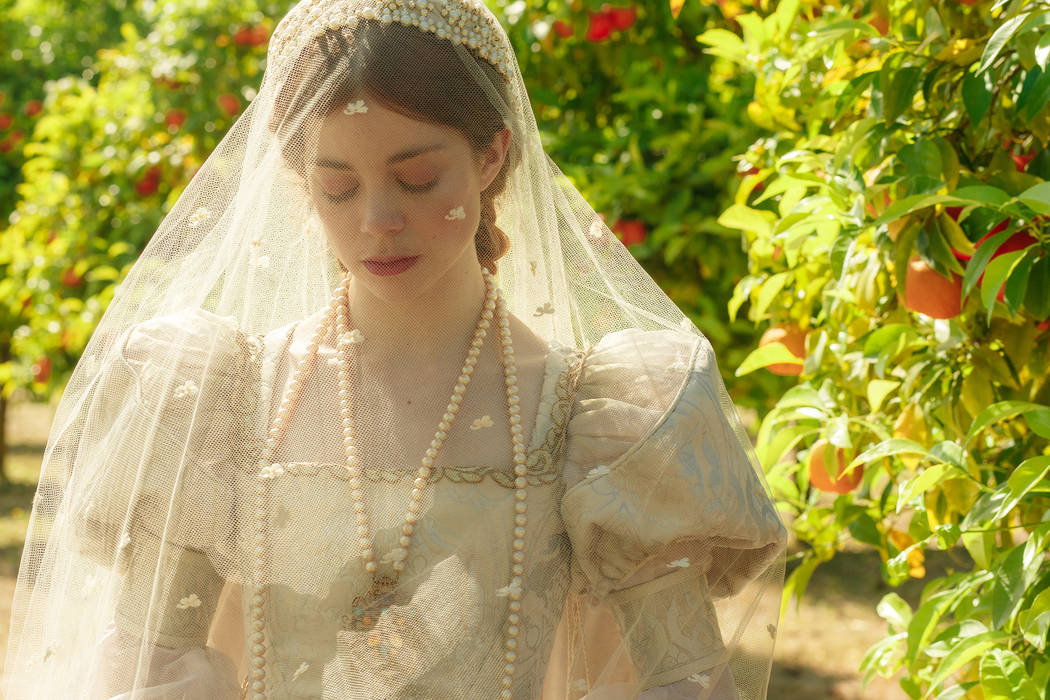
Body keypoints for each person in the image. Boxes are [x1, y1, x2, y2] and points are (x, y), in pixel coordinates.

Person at [2, 1, 787, 698]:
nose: (377, 218)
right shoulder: (214, 401)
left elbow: (685, 686)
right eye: (338, 186)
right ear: (299, 180)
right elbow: (147, 670)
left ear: (491, 157)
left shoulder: (603, 419)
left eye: (416, 178)